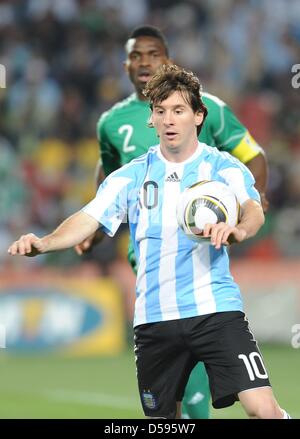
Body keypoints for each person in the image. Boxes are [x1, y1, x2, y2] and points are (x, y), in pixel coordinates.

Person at [8, 64, 291, 420]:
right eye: (160, 111)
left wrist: (239, 230)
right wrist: (45, 242)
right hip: (154, 320)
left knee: (262, 410)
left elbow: (253, 210)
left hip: (215, 311)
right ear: (151, 119)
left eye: (178, 110)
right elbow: (88, 217)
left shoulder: (223, 168)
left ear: (198, 116)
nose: (169, 119)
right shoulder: (131, 176)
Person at [76, 25, 269, 419]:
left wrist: (248, 205)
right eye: (136, 55)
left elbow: (253, 154)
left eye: (153, 54)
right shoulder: (111, 123)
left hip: (200, 250)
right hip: (147, 260)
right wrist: (94, 230)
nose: (144, 62)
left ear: (168, 60)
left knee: (200, 369)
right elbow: (108, 181)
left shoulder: (209, 106)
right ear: (126, 64)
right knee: (165, 401)